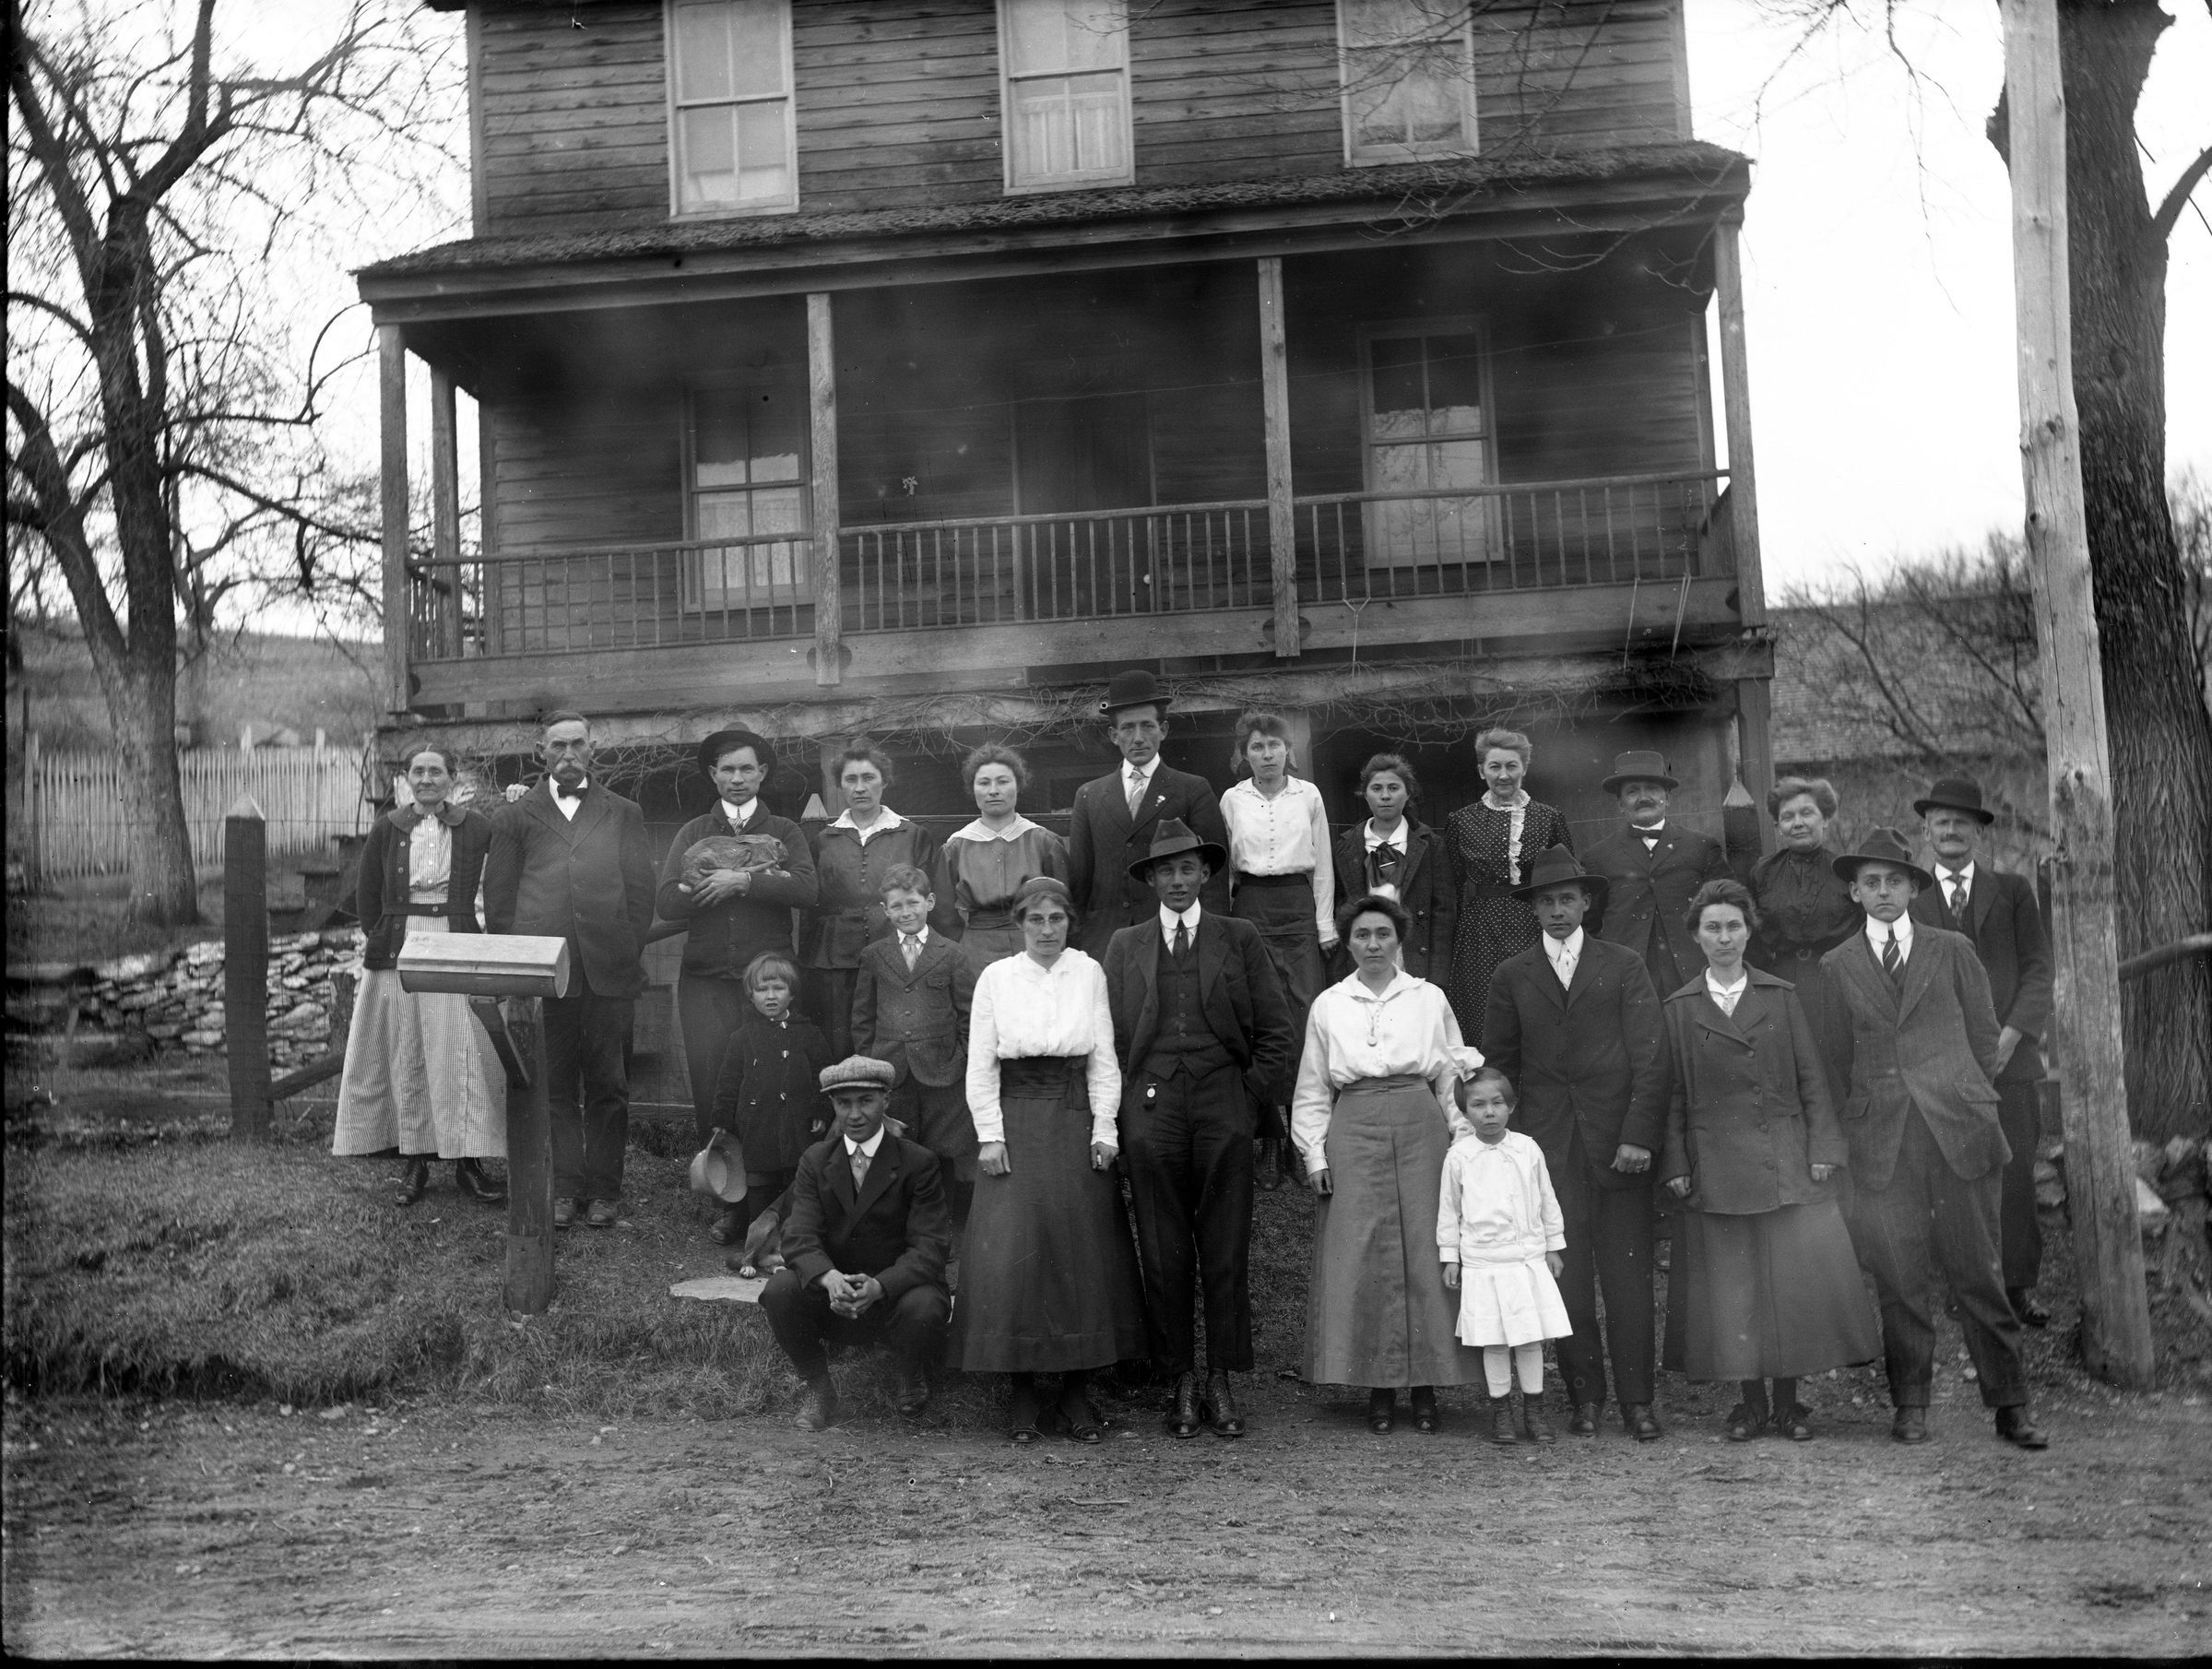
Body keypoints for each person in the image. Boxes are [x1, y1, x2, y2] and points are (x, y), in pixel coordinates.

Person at [1819, 828, 2047, 1449]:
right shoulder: (1836, 965)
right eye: (1870, 882)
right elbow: (1836, 1057)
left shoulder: (1951, 949)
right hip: (1883, 1143)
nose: (1883, 892)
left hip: (1959, 1132)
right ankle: (1911, 1404)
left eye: (1894, 881)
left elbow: (1983, 1037)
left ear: (1912, 888)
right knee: (1900, 1278)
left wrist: (1958, 1094)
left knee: (1979, 1274)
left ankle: (2011, 1405)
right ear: (1854, 892)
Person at [1659, 880, 1878, 1442]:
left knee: (1788, 1286)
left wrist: (1823, 1148)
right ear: (1696, 936)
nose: (1724, 938)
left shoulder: (1780, 996)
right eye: (1713, 927)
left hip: (1783, 1159)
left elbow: (1812, 1078)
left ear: (1749, 932)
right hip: (1716, 1164)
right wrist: (1677, 1162)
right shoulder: (1679, 1008)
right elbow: (1673, 1093)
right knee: (1735, 1289)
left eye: (1733, 926)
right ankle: (1750, 1405)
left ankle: (1788, 1406)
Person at [1102, 820, 1296, 1439]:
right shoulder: (1126, 944)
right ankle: (1180, 1379)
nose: (1177, 880)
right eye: (1165, 870)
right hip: (1152, 1109)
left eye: (1187, 868)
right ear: (1151, 880)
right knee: (1163, 1249)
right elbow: (1110, 1036)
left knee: (1225, 1245)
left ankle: (1221, 1378)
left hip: (1222, 1104)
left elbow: (1276, 1030)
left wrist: (1246, 1097)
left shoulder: (1238, 937)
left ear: (1206, 874)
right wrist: (1127, 1104)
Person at [1481, 845, 1670, 1441]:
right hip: (1549, 1155)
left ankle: (1638, 1403)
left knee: (1628, 1282)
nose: (1557, 910)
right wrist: (1515, 1152)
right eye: (1546, 902)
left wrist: (1638, 1135)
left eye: (1567, 899)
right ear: (1534, 909)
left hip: (1619, 1151)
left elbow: (1651, 1058)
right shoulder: (1512, 975)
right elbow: (1501, 1069)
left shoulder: (1623, 965)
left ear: (1586, 902)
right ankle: (1585, 1399)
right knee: (1566, 1281)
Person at [956, 875, 1145, 1443]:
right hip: (1015, 1121)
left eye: (1056, 919)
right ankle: (1022, 1394)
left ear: (1070, 923)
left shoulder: (1088, 972)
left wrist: (1105, 1127)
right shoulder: (996, 977)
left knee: (1078, 1252)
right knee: (1015, 1254)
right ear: (1019, 924)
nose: (1046, 930)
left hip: (1073, 1120)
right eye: (1035, 920)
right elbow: (981, 1064)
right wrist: (990, 1135)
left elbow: (1104, 1057)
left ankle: (1074, 1393)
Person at [1294, 894, 1483, 1435]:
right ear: (1348, 943)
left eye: (1383, 934)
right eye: (1362, 935)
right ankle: (1378, 1389)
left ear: (1399, 940)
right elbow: (1313, 1086)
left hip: (1420, 1123)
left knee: (1427, 1248)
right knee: (1364, 1251)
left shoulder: (1428, 997)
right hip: (1354, 1127)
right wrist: (1314, 1152)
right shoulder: (1330, 1003)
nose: (1373, 945)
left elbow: (1450, 1077)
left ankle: (1426, 1388)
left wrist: (1463, 1142)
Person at [483, 711, 656, 1230]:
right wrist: (521, 964)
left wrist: (621, 946)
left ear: (592, 748)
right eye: (557, 745)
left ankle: (604, 1192)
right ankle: (564, 1188)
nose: (568, 754)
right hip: (545, 974)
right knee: (553, 1085)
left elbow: (641, 893)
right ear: (541, 752)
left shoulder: (623, 812)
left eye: (577, 743)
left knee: (609, 1084)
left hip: (608, 973)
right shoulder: (515, 816)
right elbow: (500, 902)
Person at [1908, 775, 2056, 1330]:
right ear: (1927, 832)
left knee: (2014, 1173)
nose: (1951, 830)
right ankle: (1968, 1286)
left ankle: (2017, 1288)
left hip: (2009, 1063)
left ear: (1978, 832)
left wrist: (2012, 1036)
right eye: (1941, 822)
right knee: (1956, 1179)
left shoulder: (2013, 891)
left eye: (1961, 822)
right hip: (1944, 1068)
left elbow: (2038, 969)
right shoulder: (1912, 899)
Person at [333, 743, 506, 1207]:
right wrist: (387, 935)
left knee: (460, 1052)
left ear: (453, 778)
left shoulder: (477, 827)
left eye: (436, 771)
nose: (426, 779)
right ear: (406, 779)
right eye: (418, 772)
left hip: (455, 944)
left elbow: (507, 857)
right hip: (401, 946)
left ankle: (469, 1162)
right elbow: (368, 896)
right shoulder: (387, 828)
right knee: (406, 1050)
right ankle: (415, 1160)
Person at [760, 1056, 953, 1431]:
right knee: (780, 1290)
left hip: (895, 1298)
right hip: (836, 1297)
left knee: (925, 1305)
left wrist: (880, 1286)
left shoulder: (919, 1162)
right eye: (843, 1103)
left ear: (886, 1099)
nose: (854, 1114)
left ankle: (910, 1373)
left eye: (865, 1101)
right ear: (832, 1104)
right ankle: (820, 1389)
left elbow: (930, 1246)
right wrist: (828, 1277)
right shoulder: (816, 1159)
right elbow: (798, 1234)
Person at [654, 728, 820, 1160]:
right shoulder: (694, 831)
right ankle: (721, 1177)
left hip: (768, 981)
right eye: (728, 769)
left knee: (772, 1079)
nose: (737, 778)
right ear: (714, 774)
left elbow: (807, 889)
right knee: (712, 1082)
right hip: (705, 982)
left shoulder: (784, 831)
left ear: (762, 773)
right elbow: (667, 901)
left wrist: (744, 881)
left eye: (747, 768)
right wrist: (708, 884)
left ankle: (770, 1177)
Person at [1218, 711, 1335, 1189]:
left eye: (1274, 746)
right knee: (1259, 1019)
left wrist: (1324, 924)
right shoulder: (1232, 799)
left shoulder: (1309, 795)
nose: (1266, 755)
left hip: (1297, 906)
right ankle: (1271, 1137)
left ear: (1288, 750)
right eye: (1257, 747)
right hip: (1250, 908)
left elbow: (1323, 865)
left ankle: (1306, 1138)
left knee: (1305, 1018)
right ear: (1244, 754)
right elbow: (1228, 869)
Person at [1437, 1065, 1570, 1447]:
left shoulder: (1527, 1149)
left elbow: (1547, 1199)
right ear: (1465, 1112)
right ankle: (1501, 1413)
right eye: (1478, 1105)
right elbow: (1449, 1210)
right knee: (1494, 1341)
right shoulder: (1459, 1156)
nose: (1489, 1112)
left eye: (1497, 1103)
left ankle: (1535, 1411)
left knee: (1529, 1339)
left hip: (1526, 1260)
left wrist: (1553, 1246)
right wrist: (1451, 1257)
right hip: (1484, 1263)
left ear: (1511, 1106)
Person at [852, 865, 980, 1244]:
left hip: (943, 1072)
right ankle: (901, 1234)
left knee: (941, 1153)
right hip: (892, 1072)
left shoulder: (952, 954)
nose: (906, 912)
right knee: (898, 1151)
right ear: (885, 910)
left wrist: (962, 1060)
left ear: (930, 902)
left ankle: (938, 1236)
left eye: (913, 903)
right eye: (897, 906)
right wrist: (869, 1068)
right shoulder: (874, 955)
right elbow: (862, 1018)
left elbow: (969, 1015)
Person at [1067, 669, 1231, 957]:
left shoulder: (1193, 789)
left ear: (1163, 730)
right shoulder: (1089, 795)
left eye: (1147, 726)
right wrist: (1077, 944)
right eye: (1128, 728)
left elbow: (1213, 883)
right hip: (1105, 942)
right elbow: (1080, 881)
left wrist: (1210, 943)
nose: (1139, 738)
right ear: (1114, 735)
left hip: (1172, 938)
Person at [801, 741, 945, 1059]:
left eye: (868, 778)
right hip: (835, 958)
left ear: (885, 781)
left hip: (898, 952)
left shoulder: (913, 835)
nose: (860, 787)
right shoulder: (824, 840)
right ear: (840, 785)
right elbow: (812, 907)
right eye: (850, 779)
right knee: (840, 1041)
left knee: (895, 1038)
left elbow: (927, 906)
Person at [1445, 728, 1572, 1036]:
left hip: (1536, 926)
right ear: (1481, 771)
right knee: (1486, 1012)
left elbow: (1567, 881)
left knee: (1539, 1010)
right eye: (1495, 766)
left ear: (1524, 768)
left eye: (1512, 766)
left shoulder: (1549, 817)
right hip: (1481, 931)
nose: (1504, 775)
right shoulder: (1461, 820)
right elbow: (1453, 887)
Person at [1582, 749, 1733, 1003]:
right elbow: (1588, 927)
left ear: (1668, 797)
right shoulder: (1598, 857)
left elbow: (1729, 911)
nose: (1644, 798)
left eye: (1652, 789)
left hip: (1695, 977)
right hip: (1629, 983)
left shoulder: (1702, 848)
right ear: (1620, 804)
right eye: (1632, 791)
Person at [709, 952, 834, 1244]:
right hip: (757, 1125)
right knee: (759, 1183)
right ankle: (757, 1239)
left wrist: (820, 1110)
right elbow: (728, 1082)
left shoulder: (809, 1033)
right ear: (750, 995)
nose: (771, 996)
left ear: (792, 992)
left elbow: (824, 1074)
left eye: (778, 988)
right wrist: (722, 1120)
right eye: (762, 989)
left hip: (798, 1125)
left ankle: (794, 1241)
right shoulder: (742, 1037)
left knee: (797, 1182)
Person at [938, 743, 1068, 968]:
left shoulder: (1044, 842)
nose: (993, 791)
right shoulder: (955, 847)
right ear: (972, 788)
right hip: (976, 951)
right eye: (984, 783)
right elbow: (944, 915)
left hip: (1036, 945)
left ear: (1018, 785)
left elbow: (1066, 903)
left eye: (1003, 781)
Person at [1331, 753, 1455, 984]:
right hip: (1365, 951)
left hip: (1412, 952)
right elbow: (1339, 910)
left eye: (1394, 788)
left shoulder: (1430, 845)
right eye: (1377, 788)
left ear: (1408, 793)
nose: (1385, 796)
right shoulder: (1346, 846)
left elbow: (1443, 914)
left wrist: (1437, 977)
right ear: (1364, 794)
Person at [1745, 775, 1859, 1022]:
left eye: (1807, 813)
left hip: (1837, 981)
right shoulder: (1763, 873)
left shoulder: (1846, 871)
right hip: (1778, 983)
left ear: (1825, 819)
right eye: (1788, 817)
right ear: (1778, 826)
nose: (1798, 823)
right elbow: (1750, 933)